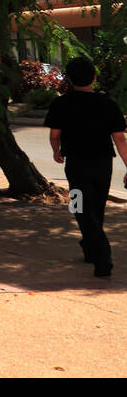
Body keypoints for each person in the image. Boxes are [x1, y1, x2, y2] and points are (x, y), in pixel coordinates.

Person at [45, 56, 127, 278]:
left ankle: (101, 255)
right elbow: (120, 139)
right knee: (96, 206)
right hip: (103, 165)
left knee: (80, 207)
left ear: (69, 79)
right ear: (94, 77)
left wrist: (55, 150)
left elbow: (54, 135)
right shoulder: (107, 104)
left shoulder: (61, 103)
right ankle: (91, 247)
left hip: (76, 165)